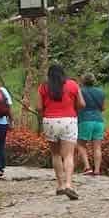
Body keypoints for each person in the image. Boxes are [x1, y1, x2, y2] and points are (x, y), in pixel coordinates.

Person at [38, 63, 86, 200]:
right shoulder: (72, 85)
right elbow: (82, 104)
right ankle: (69, 184)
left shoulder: (43, 87)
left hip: (50, 121)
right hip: (68, 120)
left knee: (55, 154)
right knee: (68, 155)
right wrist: (73, 108)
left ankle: (60, 185)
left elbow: (39, 107)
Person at [77, 73, 107, 176]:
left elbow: (78, 105)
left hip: (85, 119)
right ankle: (97, 170)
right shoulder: (101, 92)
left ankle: (87, 167)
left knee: (80, 144)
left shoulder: (80, 91)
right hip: (99, 120)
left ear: (83, 81)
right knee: (97, 147)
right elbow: (103, 108)